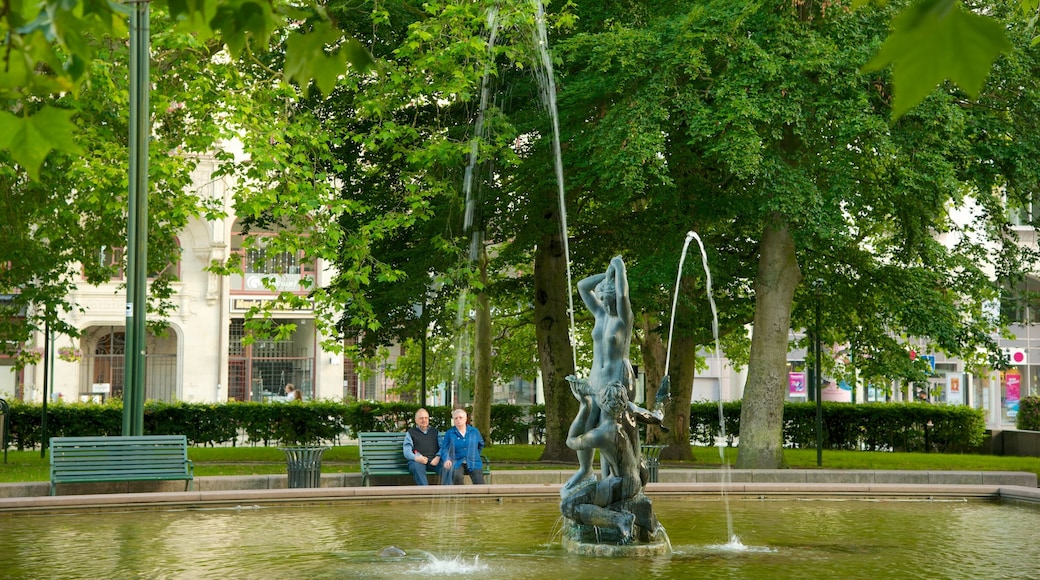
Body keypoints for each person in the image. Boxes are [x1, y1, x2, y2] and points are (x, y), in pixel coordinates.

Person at [566, 255, 635, 490]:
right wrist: (606, 275)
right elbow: (582, 286)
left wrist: (619, 269)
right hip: (595, 381)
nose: (606, 303)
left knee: (608, 430)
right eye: (603, 299)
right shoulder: (600, 315)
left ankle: (612, 479)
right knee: (587, 425)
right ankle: (585, 470)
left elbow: (624, 295)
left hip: (616, 382)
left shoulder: (624, 320)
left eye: (610, 299)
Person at [440, 408, 485, 485]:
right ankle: (461, 495)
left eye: (460, 417)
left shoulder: (474, 432)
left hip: (473, 461)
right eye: (456, 418)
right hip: (457, 461)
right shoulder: (450, 433)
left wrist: (474, 454)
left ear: (465, 419)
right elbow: (444, 449)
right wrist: (447, 459)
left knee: (479, 481)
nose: (458, 420)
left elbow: (480, 444)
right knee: (457, 477)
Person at [403, 408, 442, 485]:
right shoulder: (411, 433)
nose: (424, 420)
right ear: (416, 420)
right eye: (421, 418)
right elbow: (407, 451)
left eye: (426, 418)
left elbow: (443, 447)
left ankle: (446, 494)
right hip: (418, 461)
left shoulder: (435, 432)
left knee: (447, 467)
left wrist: (438, 457)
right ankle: (425, 493)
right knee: (416, 467)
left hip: (434, 460)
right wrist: (416, 458)